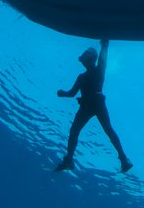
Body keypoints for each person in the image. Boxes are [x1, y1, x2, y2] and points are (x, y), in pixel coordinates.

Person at [55, 38, 132, 173]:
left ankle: (124, 159)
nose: (84, 60)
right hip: (90, 105)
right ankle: (69, 160)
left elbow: (103, 56)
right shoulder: (84, 76)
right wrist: (64, 94)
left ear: (90, 59)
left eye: (86, 57)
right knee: (79, 131)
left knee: (104, 130)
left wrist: (105, 43)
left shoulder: (98, 69)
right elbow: (72, 93)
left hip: (93, 104)